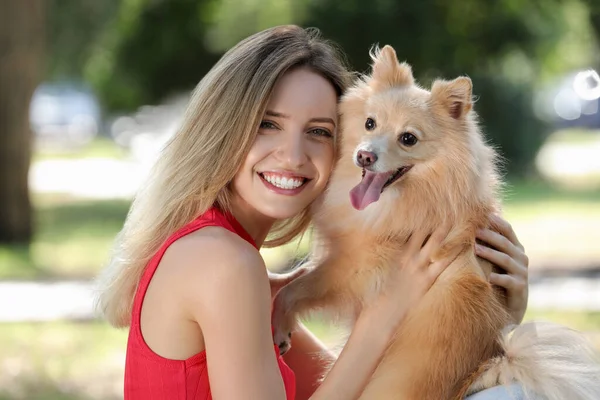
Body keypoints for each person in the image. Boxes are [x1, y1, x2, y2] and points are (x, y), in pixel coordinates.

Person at [95, 25, 530, 400]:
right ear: (223, 128)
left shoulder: (235, 267)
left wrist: (490, 317)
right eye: (268, 124)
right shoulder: (223, 263)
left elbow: (363, 382)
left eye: (319, 132)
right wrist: (385, 310)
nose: (293, 154)